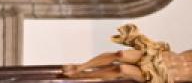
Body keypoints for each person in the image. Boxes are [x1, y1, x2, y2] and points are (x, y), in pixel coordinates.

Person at [63, 24, 192, 83]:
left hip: (158, 75)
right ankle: (80, 67)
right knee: (120, 54)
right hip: (155, 55)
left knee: (121, 69)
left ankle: (82, 76)